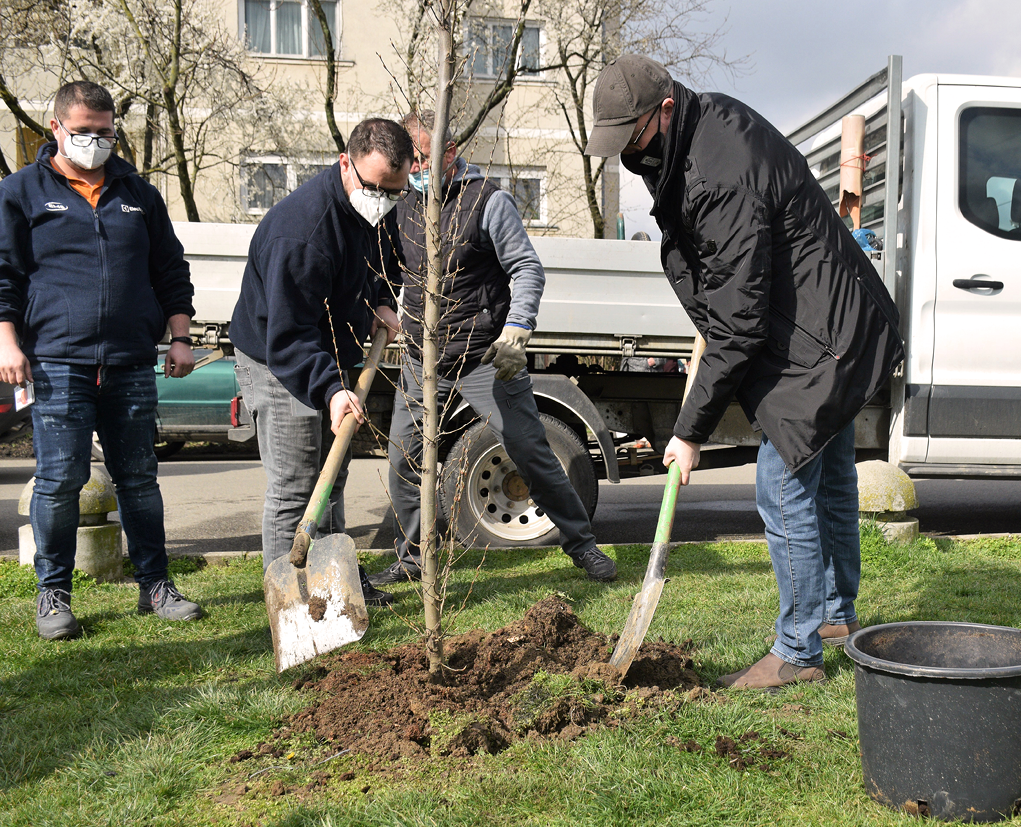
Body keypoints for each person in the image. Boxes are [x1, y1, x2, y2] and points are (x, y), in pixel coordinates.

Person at [586, 55, 904, 689]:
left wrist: (689, 431)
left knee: (782, 484)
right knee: (831, 476)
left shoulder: (720, 170)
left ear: (665, 110)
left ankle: (797, 653)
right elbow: (727, 275)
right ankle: (834, 615)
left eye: (632, 136)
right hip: (830, 323)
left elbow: (740, 324)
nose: (628, 152)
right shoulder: (697, 131)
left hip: (820, 342)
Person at [369, 111, 616, 586]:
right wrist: (382, 303)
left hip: (485, 354)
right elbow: (382, 268)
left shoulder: (487, 200)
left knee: (529, 450)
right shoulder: (401, 206)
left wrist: (516, 329)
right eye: (406, 159)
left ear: (450, 152)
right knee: (403, 458)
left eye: (421, 158)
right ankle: (413, 559)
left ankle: (582, 545)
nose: (412, 167)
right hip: (423, 357)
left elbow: (526, 268)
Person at [0, 81, 204, 640]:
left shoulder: (139, 194)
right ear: (56, 129)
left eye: (105, 132)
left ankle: (155, 585)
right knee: (60, 480)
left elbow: (170, 268)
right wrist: (7, 342)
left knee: (138, 477)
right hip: (56, 362)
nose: (96, 141)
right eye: (84, 131)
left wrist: (180, 337)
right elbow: (5, 274)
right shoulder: (20, 192)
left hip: (130, 361)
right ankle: (53, 595)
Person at [230, 118, 411, 606]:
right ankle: (290, 601)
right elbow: (289, 335)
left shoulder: (377, 205)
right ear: (345, 164)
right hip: (277, 357)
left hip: (330, 349)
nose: (383, 200)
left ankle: (336, 581)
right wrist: (330, 389)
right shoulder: (301, 233)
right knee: (296, 485)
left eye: (394, 191)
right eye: (375, 188)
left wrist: (380, 299)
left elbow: (383, 260)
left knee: (332, 477)